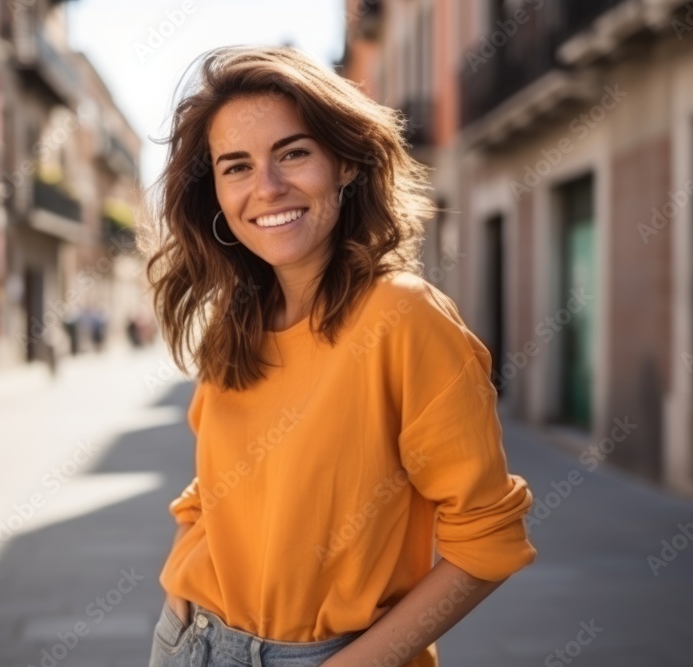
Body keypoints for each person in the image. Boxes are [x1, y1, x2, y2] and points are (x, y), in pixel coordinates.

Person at [142, 45, 536, 667]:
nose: (267, 188)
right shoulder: (236, 321)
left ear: (346, 163)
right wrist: (183, 579)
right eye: (236, 167)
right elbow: (215, 486)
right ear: (215, 192)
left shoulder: (404, 317)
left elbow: (488, 541)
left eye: (293, 153)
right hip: (189, 641)